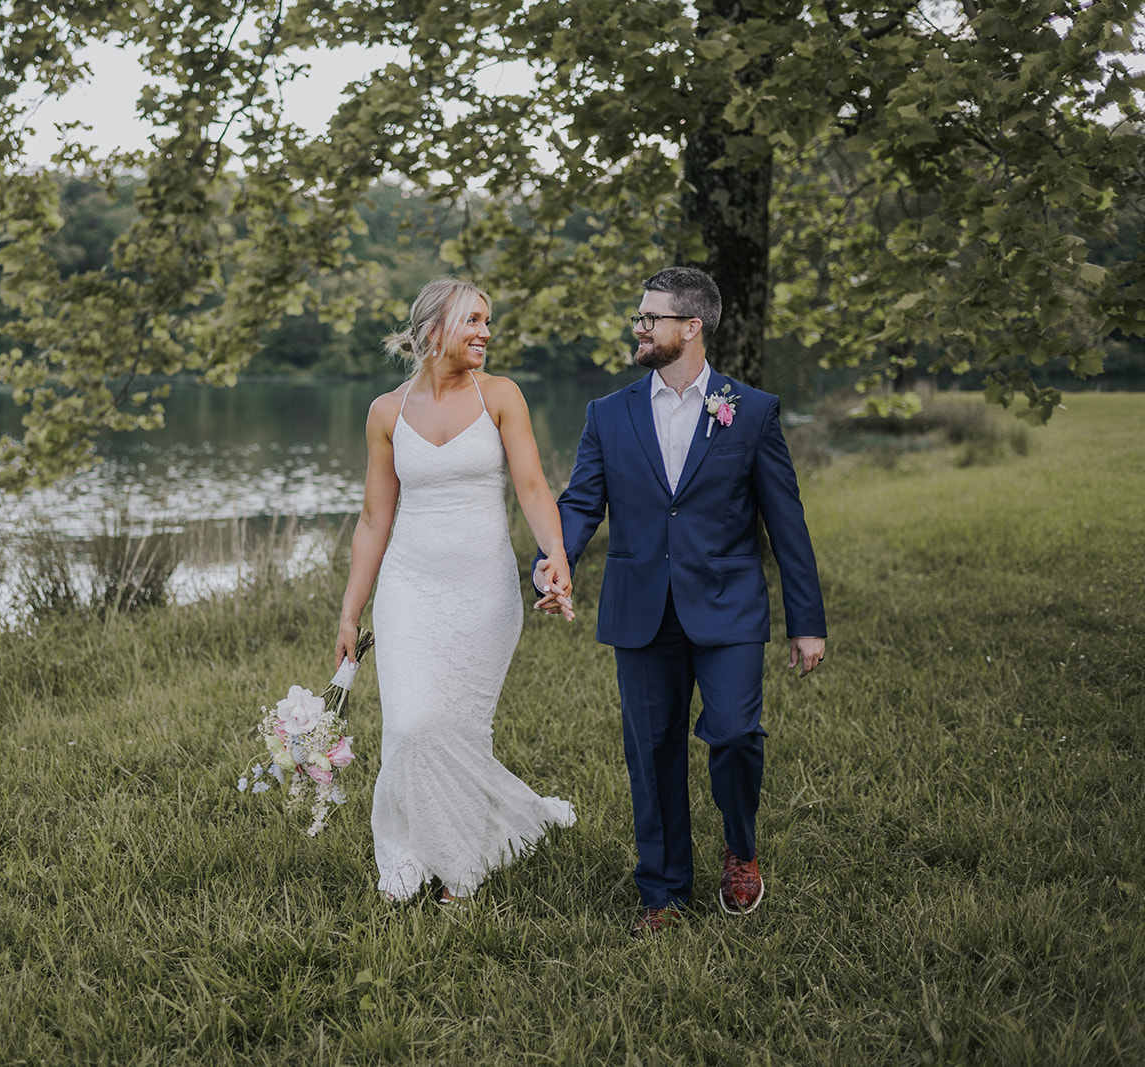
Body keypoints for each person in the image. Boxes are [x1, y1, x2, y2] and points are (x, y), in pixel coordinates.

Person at [534, 267, 826, 939]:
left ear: (691, 326)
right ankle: (663, 891)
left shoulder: (749, 410)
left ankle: (741, 847)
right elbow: (581, 503)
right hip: (641, 607)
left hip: (728, 606)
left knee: (733, 734)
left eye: (651, 318)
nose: (639, 327)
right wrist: (554, 562)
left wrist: (805, 621)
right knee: (653, 748)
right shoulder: (607, 414)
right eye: (639, 317)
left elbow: (787, 522)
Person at [336, 276, 576, 904]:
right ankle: (410, 855)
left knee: (461, 728)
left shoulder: (501, 396)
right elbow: (372, 519)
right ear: (432, 331)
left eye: (487, 321)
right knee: (413, 727)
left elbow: (531, 487)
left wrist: (556, 554)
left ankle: (459, 873)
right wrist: (350, 609)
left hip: (484, 591)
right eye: (473, 321)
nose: (485, 333)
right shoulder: (386, 412)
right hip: (408, 590)